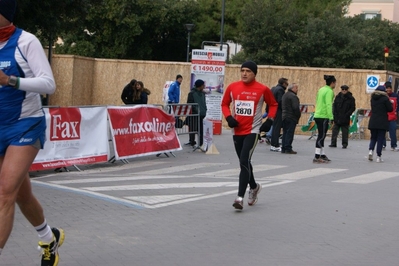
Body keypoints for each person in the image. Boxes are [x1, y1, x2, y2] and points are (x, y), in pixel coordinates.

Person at [0, 1, 65, 265]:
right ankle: (49, 238)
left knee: (4, 194)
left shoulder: (26, 41)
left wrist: (9, 80)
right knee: (21, 195)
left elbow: (49, 84)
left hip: (25, 125)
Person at [221, 61, 278, 210]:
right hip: (237, 130)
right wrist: (228, 118)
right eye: (242, 70)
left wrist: (270, 120)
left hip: (253, 130)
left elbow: (273, 104)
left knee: (244, 160)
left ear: (254, 73)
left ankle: (239, 198)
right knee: (244, 162)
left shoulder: (262, 89)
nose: (244, 73)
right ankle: (254, 187)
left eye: (248, 71)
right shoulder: (233, 87)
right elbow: (224, 104)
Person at [313, 75, 336, 163]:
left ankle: (322, 154)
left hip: (318, 115)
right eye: (335, 83)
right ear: (332, 83)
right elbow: (328, 105)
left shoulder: (321, 89)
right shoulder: (329, 91)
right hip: (324, 115)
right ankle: (317, 156)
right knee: (321, 136)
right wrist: (331, 117)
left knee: (321, 135)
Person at [368, 85, 393, 162]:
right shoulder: (385, 99)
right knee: (380, 139)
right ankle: (378, 156)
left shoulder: (372, 98)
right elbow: (390, 109)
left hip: (373, 120)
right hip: (382, 121)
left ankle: (370, 150)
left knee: (373, 137)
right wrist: (390, 102)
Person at [329, 85, 356, 149]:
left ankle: (344, 144)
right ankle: (333, 143)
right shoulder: (338, 97)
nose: (344, 91)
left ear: (347, 90)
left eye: (345, 89)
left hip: (345, 117)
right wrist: (334, 114)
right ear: (341, 90)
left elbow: (352, 108)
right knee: (335, 130)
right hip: (337, 116)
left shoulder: (351, 98)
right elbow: (334, 105)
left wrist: (348, 114)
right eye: (343, 89)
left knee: (345, 132)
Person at [185, 79, 207, 147]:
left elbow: (204, 102)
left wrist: (205, 109)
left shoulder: (203, 93)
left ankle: (201, 143)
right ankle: (192, 141)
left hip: (202, 114)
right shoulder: (192, 94)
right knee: (193, 128)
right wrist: (196, 110)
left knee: (201, 129)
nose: (204, 86)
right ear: (200, 86)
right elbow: (190, 104)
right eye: (203, 85)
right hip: (194, 114)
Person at [281, 83, 301, 154]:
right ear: (292, 88)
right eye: (296, 88)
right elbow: (295, 107)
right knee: (290, 133)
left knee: (285, 132)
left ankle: (283, 147)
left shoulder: (285, 95)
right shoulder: (293, 96)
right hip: (291, 116)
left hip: (284, 116)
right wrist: (298, 115)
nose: (297, 89)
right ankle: (288, 148)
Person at [270, 78, 288, 152]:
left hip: (273, 110)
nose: (287, 86)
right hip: (278, 111)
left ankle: (273, 144)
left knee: (275, 127)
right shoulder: (281, 90)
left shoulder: (273, 89)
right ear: (283, 83)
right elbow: (280, 101)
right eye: (286, 84)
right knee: (277, 128)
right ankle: (275, 145)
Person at [382, 81, 399, 151]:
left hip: (392, 116)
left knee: (393, 132)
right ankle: (383, 144)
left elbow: (398, 105)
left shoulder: (395, 96)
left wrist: (396, 112)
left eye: (389, 88)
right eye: (387, 88)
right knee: (382, 132)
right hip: (384, 116)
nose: (388, 89)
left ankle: (393, 145)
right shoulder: (383, 96)